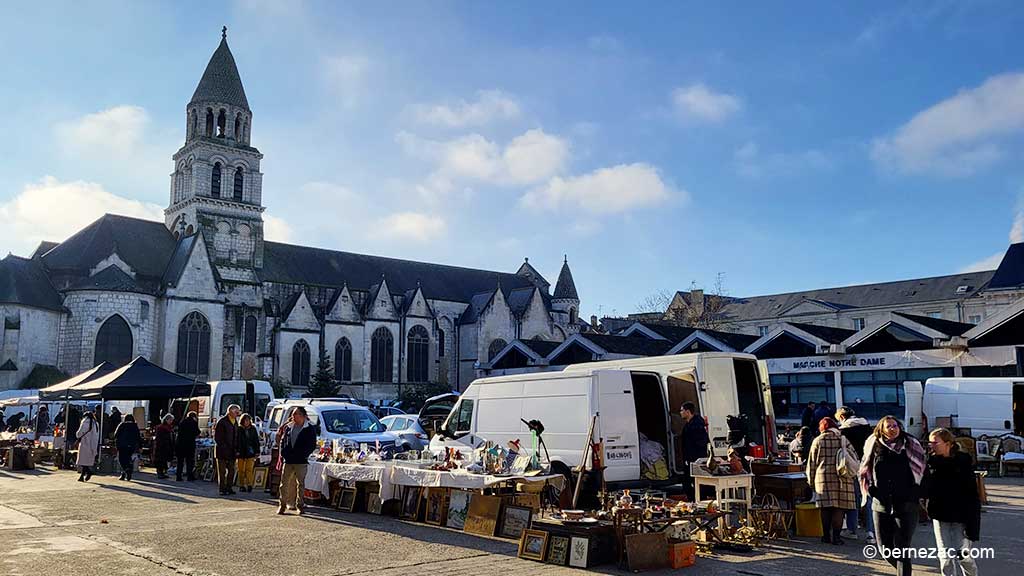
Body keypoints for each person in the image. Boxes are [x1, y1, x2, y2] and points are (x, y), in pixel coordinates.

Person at [860, 416, 926, 576]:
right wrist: (871, 491)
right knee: (885, 550)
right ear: (882, 429)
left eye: (895, 425)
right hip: (881, 503)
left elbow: (922, 470)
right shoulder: (873, 444)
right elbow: (864, 469)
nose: (893, 428)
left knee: (902, 549)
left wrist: (916, 494)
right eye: (888, 426)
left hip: (906, 503)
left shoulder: (910, 444)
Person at [925, 428, 980, 576]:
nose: (931, 445)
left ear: (948, 443)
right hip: (939, 513)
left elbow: (972, 492)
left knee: (963, 555)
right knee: (945, 556)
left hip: (961, 514)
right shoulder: (931, 462)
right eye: (930, 442)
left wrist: (973, 522)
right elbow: (925, 487)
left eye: (935, 442)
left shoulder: (963, 461)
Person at [806, 417, 857, 545]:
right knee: (839, 508)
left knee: (825, 508)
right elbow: (854, 457)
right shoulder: (843, 439)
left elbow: (812, 463)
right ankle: (837, 537)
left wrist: (811, 481)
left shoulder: (817, 440)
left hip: (822, 478)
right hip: (842, 477)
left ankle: (825, 536)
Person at [837, 406, 875, 543]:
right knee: (869, 498)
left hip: (852, 467)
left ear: (842, 417)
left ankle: (852, 529)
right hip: (869, 467)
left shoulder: (843, 431)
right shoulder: (868, 428)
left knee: (853, 498)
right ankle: (871, 533)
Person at [275, 407, 317, 515]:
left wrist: (304, 455)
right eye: (293, 414)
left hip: (301, 460)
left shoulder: (309, 428)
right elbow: (283, 441)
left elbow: (312, 444)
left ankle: (300, 505)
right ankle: (282, 505)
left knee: (301, 484)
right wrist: (284, 453)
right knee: (284, 484)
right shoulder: (289, 427)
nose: (293, 416)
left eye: (296, 414)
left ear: (302, 415)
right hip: (288, 460)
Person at [680, 401, 710, 499]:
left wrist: (690, 458)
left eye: (682, 410)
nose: (680, 413)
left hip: (695, 459)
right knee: (691, 481)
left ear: (688, 412)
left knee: (694, 481)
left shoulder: (695, 426)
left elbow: (696, 443)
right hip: (691, 458)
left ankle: (697, 499)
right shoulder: (691, 424)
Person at [214, 404, 241, 496]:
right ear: (230, 411)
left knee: (231, 471)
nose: (238, 414)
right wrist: (224, 447)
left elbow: (236, 437)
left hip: (232, 451)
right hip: (222, 451)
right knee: (222, 472)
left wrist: (237, 448)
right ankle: (222, 489)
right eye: (236, 412)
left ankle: (229, 487)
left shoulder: (235, 422)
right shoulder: (222, 422)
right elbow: (218, 438)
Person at [236, 413, 261, 493]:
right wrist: (237, 451)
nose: (247, 422)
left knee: (249, 469)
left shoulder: (253, 429)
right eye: (245, 420)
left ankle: (249, 484)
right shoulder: (239, 429)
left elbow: (256, 441)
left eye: (248, 420)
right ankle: (241, 485)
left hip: (250, 452)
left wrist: (257, 451)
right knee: (241, 470)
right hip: (241, 452)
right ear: (242, 421)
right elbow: (237, 441)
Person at [113, 415, 143, 481]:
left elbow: (115, 435)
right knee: (128, 458)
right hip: (131, 446)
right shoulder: (135, 426)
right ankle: (125, 473)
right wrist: (140, 446)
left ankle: (126, 470)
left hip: (121, 445)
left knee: (121, 459)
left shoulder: (121, 425)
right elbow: (138, 437)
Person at [175, 411, 200, 481]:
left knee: (180, 462)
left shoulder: (182, 422)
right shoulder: (194, 423)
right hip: (189, 445)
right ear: (194, 417)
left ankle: (178, 476)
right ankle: (189, 476)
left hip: (180, 444)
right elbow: (197, 432)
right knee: (189, 461)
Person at [76, 412, 100, 482]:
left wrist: (77, 435)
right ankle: (83, 475)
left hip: (84, 443)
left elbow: (79, 433)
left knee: (83, 461)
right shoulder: (96, 423)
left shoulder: (84, 422)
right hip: (93, 443)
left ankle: (87, 473)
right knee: (86, 461)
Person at [152, 414, 175, 479]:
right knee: (160, 460)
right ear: (167, 420)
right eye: (170, 420)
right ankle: (160, 473)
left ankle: (162, 473)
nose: (171, 421)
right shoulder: (162, 428)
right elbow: (160, 438)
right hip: (162, 446)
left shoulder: (167, 427)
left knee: (164, 460)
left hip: (165, 446)